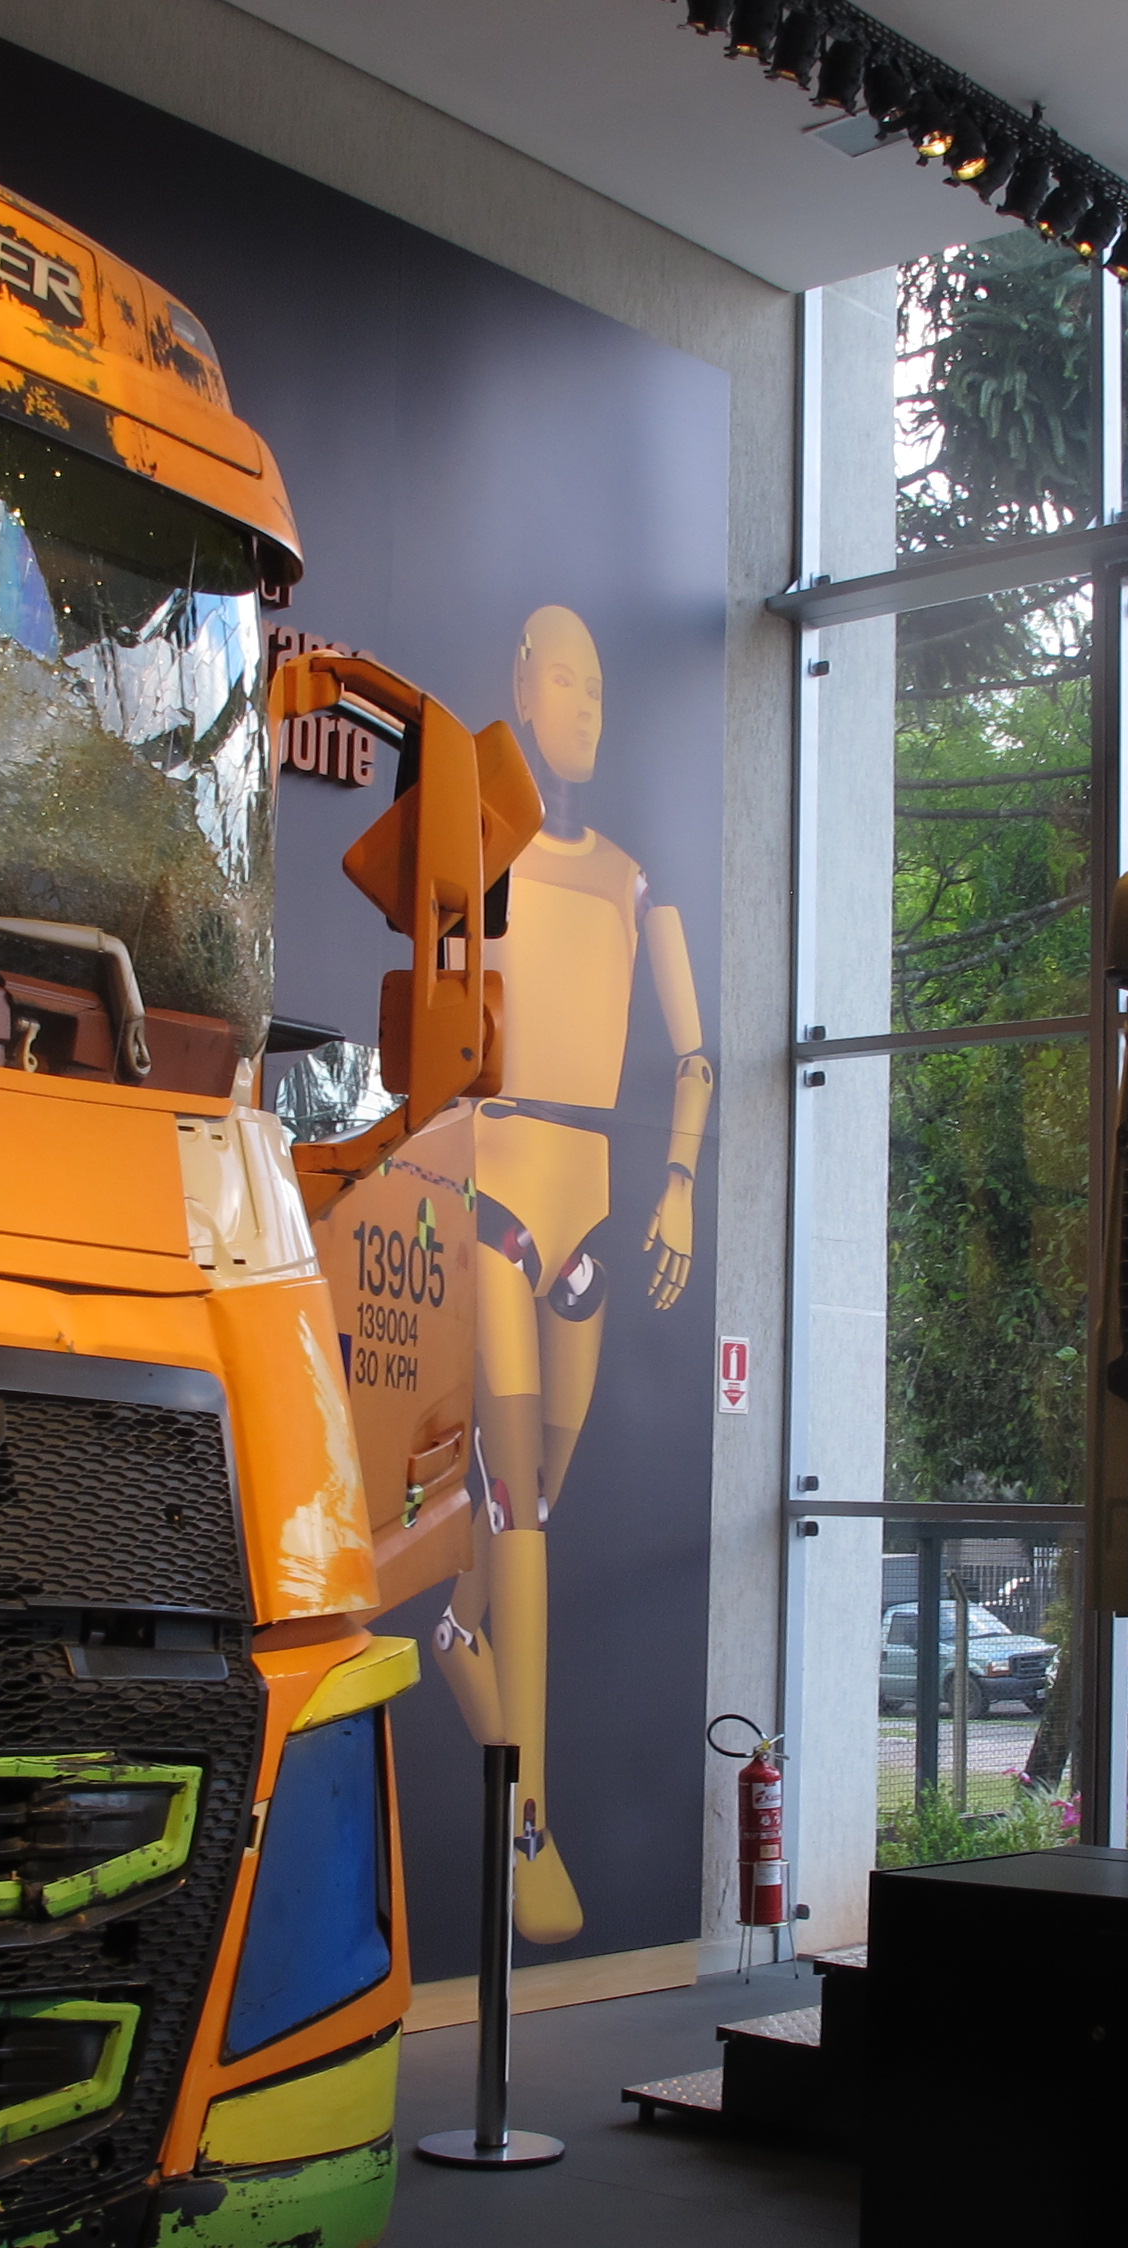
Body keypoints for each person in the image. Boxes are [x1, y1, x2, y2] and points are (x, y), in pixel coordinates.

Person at [426, 604, 712, 1943]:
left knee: (539, 1493)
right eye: (564, 682)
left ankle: (457, 1635)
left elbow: (696, 1056)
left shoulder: (634, 882)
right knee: (524, 1511)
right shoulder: (483, 862)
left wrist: (680, 1184)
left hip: (591, 1216)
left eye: (600, 687)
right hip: (495, 1199)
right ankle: (529, 1825)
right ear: (521, 689)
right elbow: (438, 1016)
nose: (586, 706)